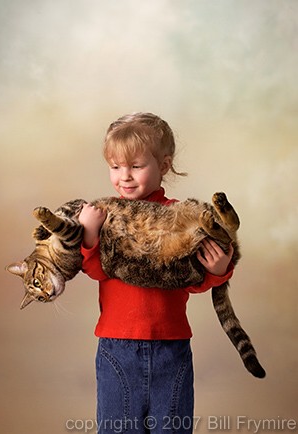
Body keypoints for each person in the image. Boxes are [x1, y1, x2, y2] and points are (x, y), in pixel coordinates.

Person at [78, 112, 234, 433]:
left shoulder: (180, 217)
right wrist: (89, 236)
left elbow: (191, 281)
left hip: (171, 348)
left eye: (136, 166)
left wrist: (218, 270)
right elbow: (96, 270)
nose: (125, 176)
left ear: (164, 165)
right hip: (116, 348)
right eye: (115, 167)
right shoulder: (107, 215)